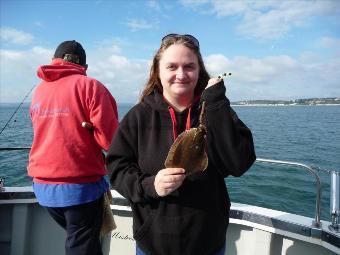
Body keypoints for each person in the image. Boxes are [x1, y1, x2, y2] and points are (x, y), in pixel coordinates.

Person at [106, 33, 256, 255]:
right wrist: (151, 185)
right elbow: (117, 168)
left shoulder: (216, 110)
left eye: (189, 66)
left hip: (208, 242)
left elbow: (238, 163)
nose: (181, 74)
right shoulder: (138, 116)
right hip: (153, 244)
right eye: (171, 67)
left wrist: (215, 103)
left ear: (199, 70)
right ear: (158, 70)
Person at [27, 40, 119, 255]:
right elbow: (111, 141)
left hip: (43, 189)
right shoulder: (91, 86)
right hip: (79, 189)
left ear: (54, 61)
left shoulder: (39, 91)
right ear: (83, 66)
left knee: (80, 240)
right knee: (81, 246)